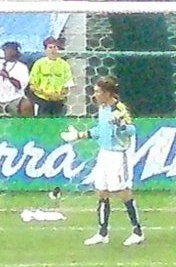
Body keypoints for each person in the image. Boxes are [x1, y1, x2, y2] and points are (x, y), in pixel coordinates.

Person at [60, 76, 144, 246]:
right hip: (104, 153)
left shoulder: (119, 109)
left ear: (107, 93)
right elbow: (101, 130)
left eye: (97, 92)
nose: (94, 95)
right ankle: (102, 232)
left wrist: (120, 125)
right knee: (101, 191)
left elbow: (131, 130)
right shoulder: (103, 108)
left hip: (118, 155)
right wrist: (80, 135)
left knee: (122, 191)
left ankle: (137, 231)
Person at [0, 42, 33, 117]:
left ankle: (26, 126)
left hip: (15, 98)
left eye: (10, 50)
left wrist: (8, 77)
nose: (7, 52)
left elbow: (20, 86)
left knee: (27, 105)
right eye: (5, 50)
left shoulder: (22, 67)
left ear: (16, 52)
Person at [28, 37, 73, 116]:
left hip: (59, 100)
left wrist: (58, 95)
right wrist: (46, 94)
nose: (52, 50)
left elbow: (67, 83)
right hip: (43, 100)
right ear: (45, 50)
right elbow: (32, 85)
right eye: (50, 47)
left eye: (54, 47)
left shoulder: (64, 65)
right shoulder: (39, 64)